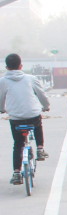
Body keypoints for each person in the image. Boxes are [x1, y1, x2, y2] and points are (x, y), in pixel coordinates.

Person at [0, 53, 50, 185]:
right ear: (21, 66)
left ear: (7, 67)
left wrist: (2, 109)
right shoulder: (31, 78)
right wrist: (46, 106)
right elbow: (41, 94)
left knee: (18, 144)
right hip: (32, 115)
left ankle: (16, 173)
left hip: (16, 118)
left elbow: (1, 98)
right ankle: (40, 149)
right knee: (37, 124)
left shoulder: (3, 81)